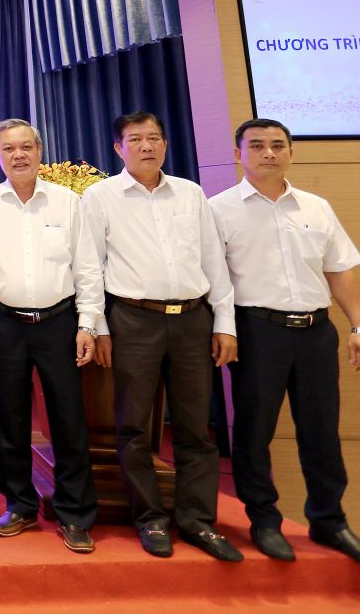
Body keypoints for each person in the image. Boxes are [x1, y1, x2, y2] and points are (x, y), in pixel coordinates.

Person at [210, 118, 360, 566]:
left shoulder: (316, 207)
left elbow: (339, 270)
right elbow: (216, 282)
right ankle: (263, 519)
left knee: (321, 429)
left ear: (291, 151)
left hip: (315, 331)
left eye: (278, 145)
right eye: (257, 146)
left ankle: (329, 519)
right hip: (256, 331)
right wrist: (224, 329)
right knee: (254, 430)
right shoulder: (218, 210)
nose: (269, 153)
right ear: (238, 154)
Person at [83, 110, 240, 561]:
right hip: (134, 319)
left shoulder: (190, 193)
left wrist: (224, 322)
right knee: (133, 426)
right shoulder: (100, 197)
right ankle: (150, 518)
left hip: (192, 319)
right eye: (136, 139)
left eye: (154, 137)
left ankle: (197, 520)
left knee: (196, 426)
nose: (147, 146)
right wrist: (98, 326)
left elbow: (213, 261)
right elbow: (90, 266)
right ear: (119, 148)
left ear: (165, 144)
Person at [0, 118, 102, 554]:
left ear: (39, 151)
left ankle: (74, 512)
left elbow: (87, 267)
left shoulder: (67, 202)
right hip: (4, 322)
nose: (19, 155)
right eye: (9, 148)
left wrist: (87, 324)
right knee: (10, 416)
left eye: (26, 146)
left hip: (60, 322)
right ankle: (19, 504)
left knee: (68, 419)